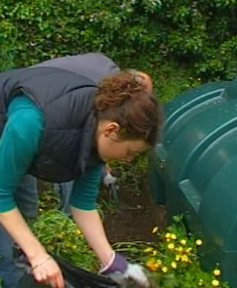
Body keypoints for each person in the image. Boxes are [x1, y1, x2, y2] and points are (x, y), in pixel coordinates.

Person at [0, 55, 162, 288]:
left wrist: (112, 262)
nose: (128, 160)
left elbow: (83, 205)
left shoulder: (95, 137)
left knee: (25, 222)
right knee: (2, 247)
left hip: (14, 145)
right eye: (130, 152)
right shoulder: (34, 120)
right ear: (112, 130)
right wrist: (38, 256)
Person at [30, 53, 153, 214]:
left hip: (38, 99)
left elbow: (99, 132)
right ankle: (67, 217)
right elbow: (88, 133)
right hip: (33, 104)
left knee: (26, 197)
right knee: (71, 161)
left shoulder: (108, 69)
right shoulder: (101, 87)